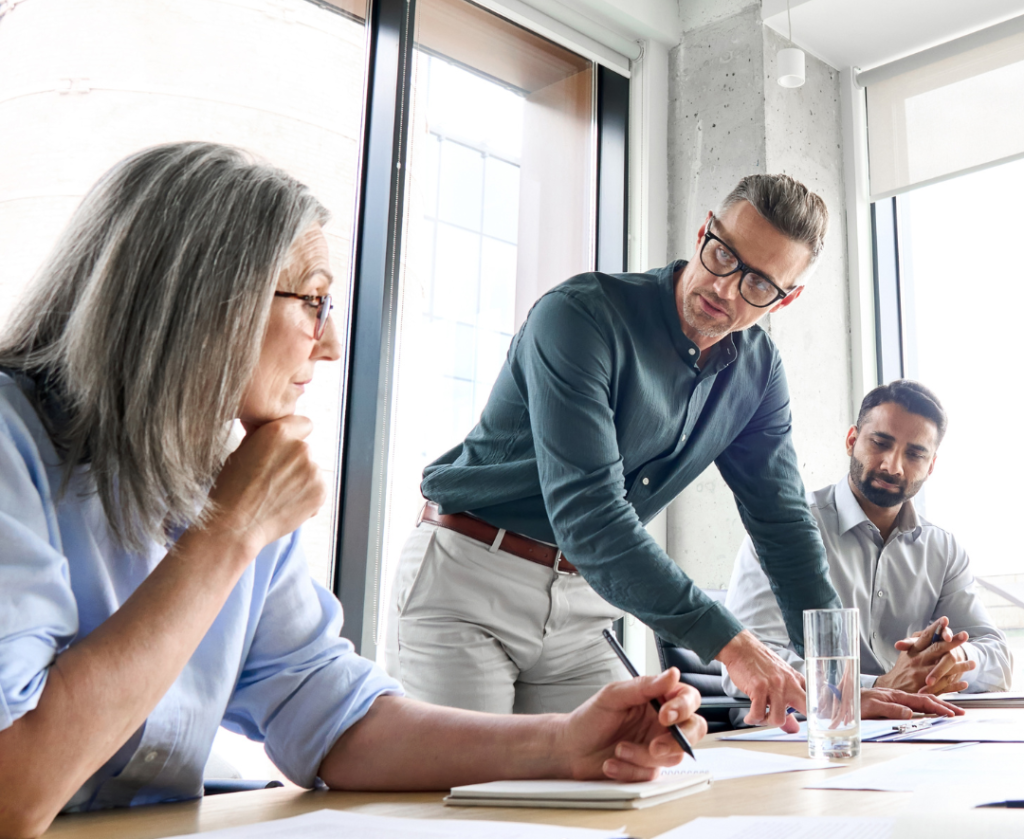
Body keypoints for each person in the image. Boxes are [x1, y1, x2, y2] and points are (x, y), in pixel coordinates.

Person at [0, 143, 708, 839]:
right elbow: (13, 791)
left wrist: (562, 744)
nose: (331, 342)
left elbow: (331, 715)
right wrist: (229, 533)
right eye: (313, 301)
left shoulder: (229, 474)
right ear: (206, 304)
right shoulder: (16, 445)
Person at [386, 174, 961, 729]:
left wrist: (842, 686)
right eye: (723, 256)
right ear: (704, 232)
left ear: (786, 301)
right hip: (469, 579)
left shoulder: (758, 373)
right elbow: (592, 516)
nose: (725, 288)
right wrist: (735, 646)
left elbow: (784, 528)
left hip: (582, 605)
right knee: (468, 806)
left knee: (627, 789)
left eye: (759, 284)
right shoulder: (581, 316)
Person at [723, 380, 1012, 699]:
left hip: (909, 728)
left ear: (931, 466)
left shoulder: (943, 550)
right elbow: (749, 665)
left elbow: (998, 658)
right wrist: (875, 688)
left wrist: (956, 658)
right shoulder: (783, 527)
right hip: (801, 731)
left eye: (914, 454)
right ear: (852, 440)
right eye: (880, 443)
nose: (893, 466)